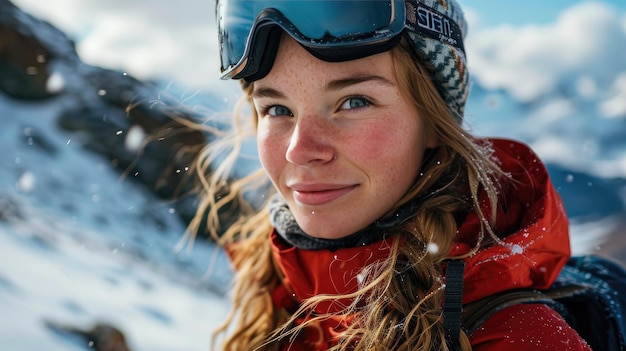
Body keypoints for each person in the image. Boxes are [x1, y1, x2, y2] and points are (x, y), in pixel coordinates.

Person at [189, 0, 593, 350]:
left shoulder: (517, 340)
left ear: (434, 122)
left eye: (354, 101)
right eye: (277, 109)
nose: (300, 149)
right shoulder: (277, 291)